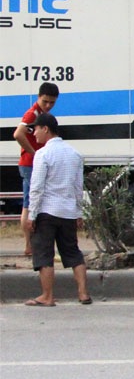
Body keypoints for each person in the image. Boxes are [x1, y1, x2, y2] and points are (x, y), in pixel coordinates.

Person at [24, 112, 91, 307]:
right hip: (68, 212)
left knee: (44, 254)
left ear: (45, 129)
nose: (34, 134)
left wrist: (32, 215)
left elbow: (36, 188)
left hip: (47, 212)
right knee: (72, 252)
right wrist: (79, 212)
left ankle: (47, 296)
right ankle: (83, 293)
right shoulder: (74, 154)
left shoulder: (43, 154)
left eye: (35, 129)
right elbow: (79, 187)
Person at [12, 82, 60, 255]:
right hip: (29, 164)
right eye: (45, 101)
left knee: (31, 203)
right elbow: (17, 134)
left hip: (31, 163)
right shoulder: (32, 114)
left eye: (52, 103)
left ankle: (30, 245)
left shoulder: (40, 114)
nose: (48, 106)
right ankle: (29, 245)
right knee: (30, 204)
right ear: (39, 97)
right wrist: (34, 153)